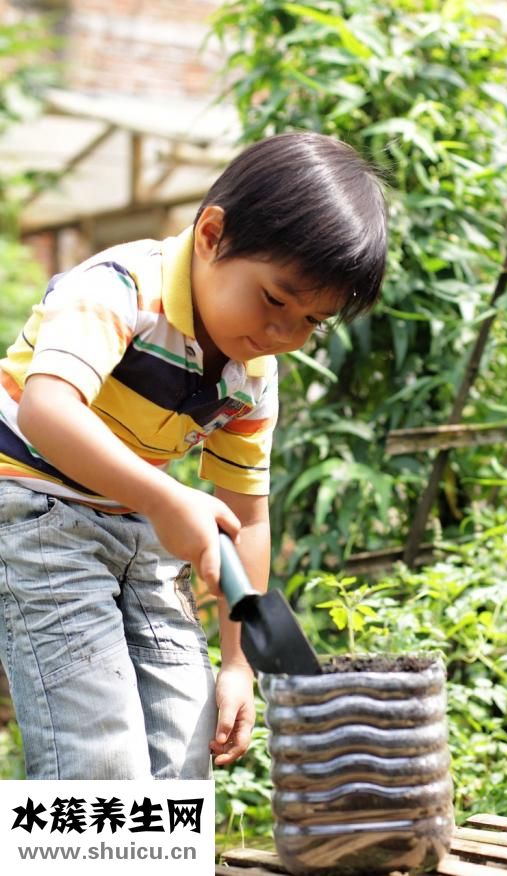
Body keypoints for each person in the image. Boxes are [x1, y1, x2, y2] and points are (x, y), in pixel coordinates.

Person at [0, 132, 387, 780]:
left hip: (137, 522)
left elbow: (248, 519)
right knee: (100, 756)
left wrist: (238, 663)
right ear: (211, 235)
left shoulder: (252, 374)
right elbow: (47, 410)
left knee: (188, 736)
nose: (283, 334)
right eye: (274, 300)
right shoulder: (116, 289)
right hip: (33, 508)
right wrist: (163, 498)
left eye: (311, 322)